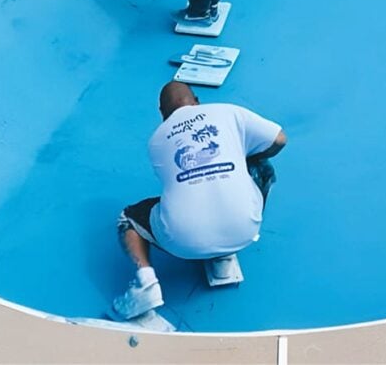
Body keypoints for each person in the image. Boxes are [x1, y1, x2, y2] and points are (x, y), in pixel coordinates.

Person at [112, 81, 287, 320]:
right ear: (196, 101)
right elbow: (279, 139)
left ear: (162, 113)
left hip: (182, 242)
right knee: (262, 166)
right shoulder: (228, 111)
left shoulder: (156, 139)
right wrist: (246, 155)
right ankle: (225, 244)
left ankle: (146, 282)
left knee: (128, 219)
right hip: (244, 230)